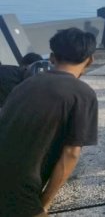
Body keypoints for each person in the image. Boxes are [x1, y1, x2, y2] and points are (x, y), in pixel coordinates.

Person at [0, 28, 98, 216]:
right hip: (20, 185)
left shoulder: (25, 84)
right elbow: (71, 154)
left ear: (52, 57)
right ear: (90, 60)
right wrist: (44, 202)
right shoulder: (82, 94)